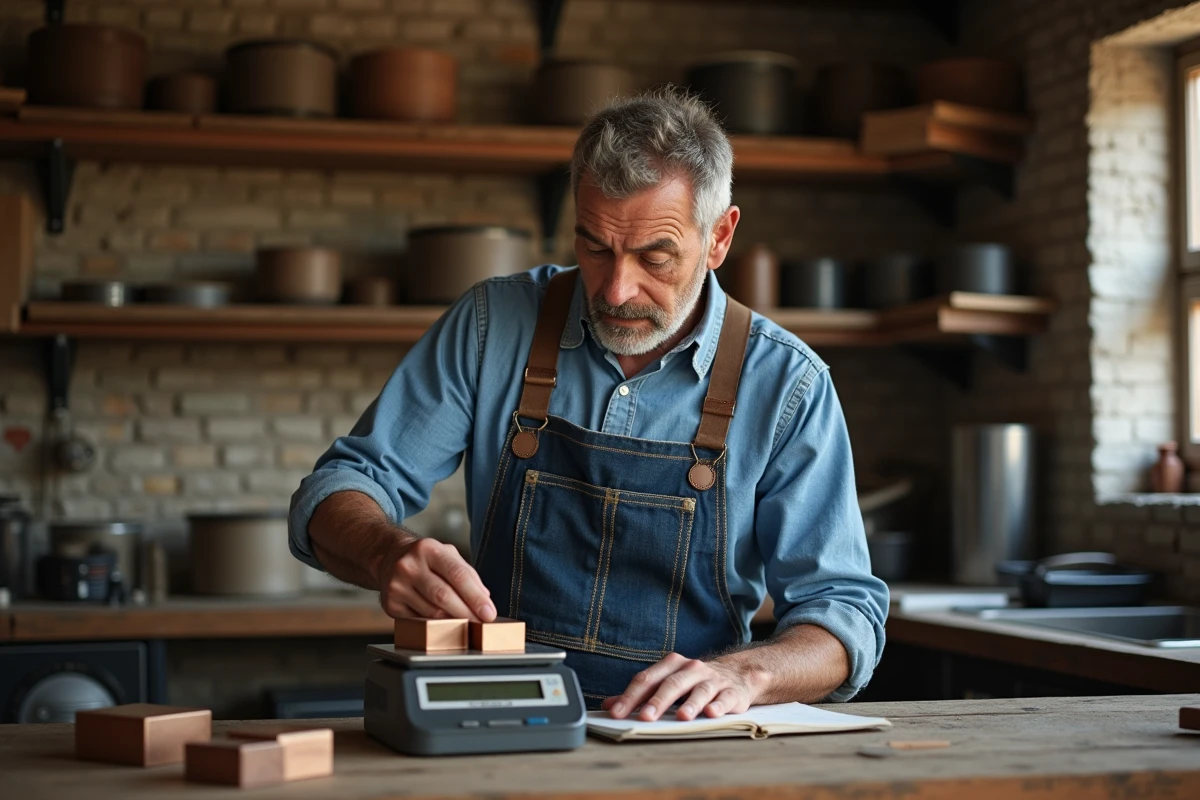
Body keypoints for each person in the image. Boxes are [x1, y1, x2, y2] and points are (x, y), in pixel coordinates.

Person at [289, 88, 888, 722]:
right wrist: (386, 552)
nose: (615, 289)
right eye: (595, 247)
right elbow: (339, 488)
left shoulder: (788, 384)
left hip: (685, 738)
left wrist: (744, 674)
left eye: (655, 257)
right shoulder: (495, 326)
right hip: (499, 719)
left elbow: (843, 614)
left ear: (719, 238)